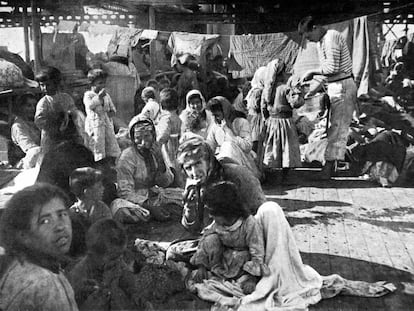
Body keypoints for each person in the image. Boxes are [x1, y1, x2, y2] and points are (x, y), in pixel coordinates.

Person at [0, 183, 78, 311]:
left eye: (62, 214)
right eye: (45, 221)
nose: (60, 226)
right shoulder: (43, 283)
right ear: (24, 236)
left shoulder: (22, 266)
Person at [298, 16, 357, 179]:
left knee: (338, 128)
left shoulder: (331, 37)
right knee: (331, 127)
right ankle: (330, 164)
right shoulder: (320, 42)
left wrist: (312, 72)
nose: (308, 40)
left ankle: (330, 167)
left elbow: (331, 68)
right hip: (335, 85)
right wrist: (311, 92)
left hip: (342, 86)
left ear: (315, 27)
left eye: (308, 35)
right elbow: (327, 72)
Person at [190, 181, 270, 295]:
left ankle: (247, 279)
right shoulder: (217, 224)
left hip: (243, 264)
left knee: (245, 285)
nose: (210, 216)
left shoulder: (249, 224)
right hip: (225, 261)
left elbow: (257, 252)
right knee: (210, 239)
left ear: (226, 211)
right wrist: (201, 266)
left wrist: (252, 278)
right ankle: (215, 273)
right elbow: (205, 238)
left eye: (213, 213)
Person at [177, 136, 266, 233]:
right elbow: (193, 229)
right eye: (188, 168)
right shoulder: (193, 184)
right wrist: (190, 208)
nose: (194, 172)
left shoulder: (237, 175)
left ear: (208, 161)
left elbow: (260, 212)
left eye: (198, 163)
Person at [116, 115, 182, 221]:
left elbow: (166, 182)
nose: (143, 143)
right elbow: (125, 192)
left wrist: (160, 160)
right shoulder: (127, 157)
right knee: (122, 209)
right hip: (137, 200)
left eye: (147, 136)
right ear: (132, 139)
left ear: (153, 136)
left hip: (156, 195)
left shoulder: (155, 151)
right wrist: (149, 206)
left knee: (185, 197)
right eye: (138, 138)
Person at [67, 219, 136, 310]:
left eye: (120, 255)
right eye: (113, 258)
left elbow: (128, 280)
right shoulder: (78, 274)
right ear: (92, 254)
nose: (119, 260)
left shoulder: (116, 264)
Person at [259, 66, 304, 182]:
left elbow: (263, 106)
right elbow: (296, 104)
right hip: (285, 122)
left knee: (272, 146)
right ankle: (286, 176)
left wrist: (266, 119)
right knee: (286, 147)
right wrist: (298, 92)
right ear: (281, 74)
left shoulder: (267, 89)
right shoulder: (286, 89)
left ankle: (269, 173)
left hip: (272, 122)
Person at [206, 96, 261, 179]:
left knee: (229, 146)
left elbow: (247, 147)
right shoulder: (215, 126)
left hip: (242, 160)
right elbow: (210, 146)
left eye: (217, 115)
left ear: (225, 112)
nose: (215, 119)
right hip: (222, 161)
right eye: (213, 116)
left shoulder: (241, 122)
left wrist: (229, 132)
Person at [34, 66, 83, 154]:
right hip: (51, 135)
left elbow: (74, 111)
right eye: (42, 85)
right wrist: (53, 121)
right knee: (51, 155)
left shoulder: (66, 98)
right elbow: (39, 120)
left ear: (56, 83)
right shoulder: (44, 102)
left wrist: (69, 114)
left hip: (68, 132)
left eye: (48, 84)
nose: (45, 88)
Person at [83, 69, 121, 164]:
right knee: (97, 146)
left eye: (104, 83)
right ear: (92, 84)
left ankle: (110, 162)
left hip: (106, 123)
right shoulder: (89, 95)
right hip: (95, 125)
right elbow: (90, 106)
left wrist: (111, 112)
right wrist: (98, 97)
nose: (102, 86)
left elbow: (112, 108)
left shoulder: (106, 95)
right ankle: (98, 163)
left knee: (110, 144)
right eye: (99, 83)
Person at [156, 88, 182, 186]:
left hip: (168, 149)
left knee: (170, 170)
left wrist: (156, 145)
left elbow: (163, 135)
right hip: (176, 147)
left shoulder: (166, 119)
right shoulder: (177, 117)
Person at [10, 92, 41, 169]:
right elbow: (31, 149)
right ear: (21, 107)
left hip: (38, 159)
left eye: (34, 105)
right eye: (29, 106)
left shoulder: (36, 123)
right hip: (23, 164)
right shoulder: (18, 126)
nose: (33, 109)